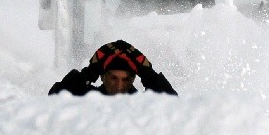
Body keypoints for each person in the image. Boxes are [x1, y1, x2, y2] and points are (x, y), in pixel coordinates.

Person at [48, 40, 178, 96]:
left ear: (133, 79)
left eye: (125, 79)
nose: (119, 86)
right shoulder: (87, 98)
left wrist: (150, 76)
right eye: (113, 78)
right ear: (103, 76)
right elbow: (56, 98)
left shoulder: (142, 104)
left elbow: (172, 108)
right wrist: (88, 73)